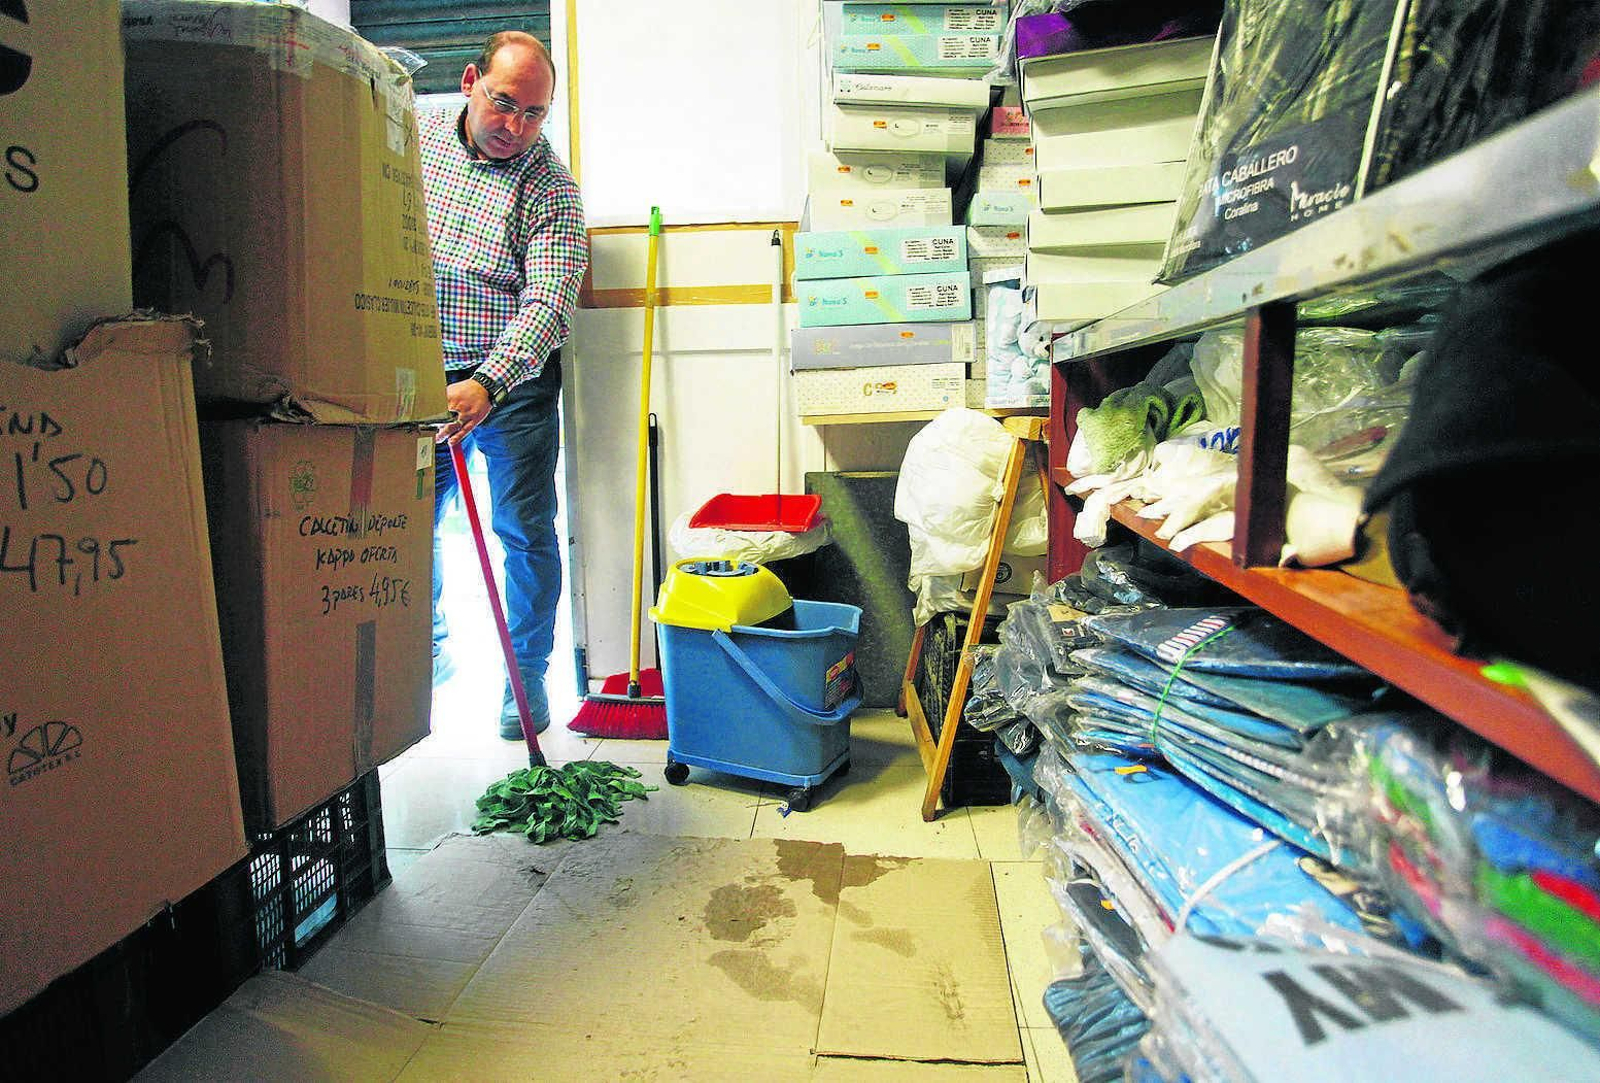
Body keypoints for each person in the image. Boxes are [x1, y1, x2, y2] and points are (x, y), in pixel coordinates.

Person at [420, 31, 588, 738]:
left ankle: (526, 680)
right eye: (504, 103)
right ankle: (422, 658)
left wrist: (488, 381)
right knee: (403, 528)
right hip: (420, 373)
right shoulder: (413, 144)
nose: (515, 127)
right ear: (469, 81)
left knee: (524, 532)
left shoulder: (550, 187)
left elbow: (550, 299)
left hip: (510, 380)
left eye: (534, 114)